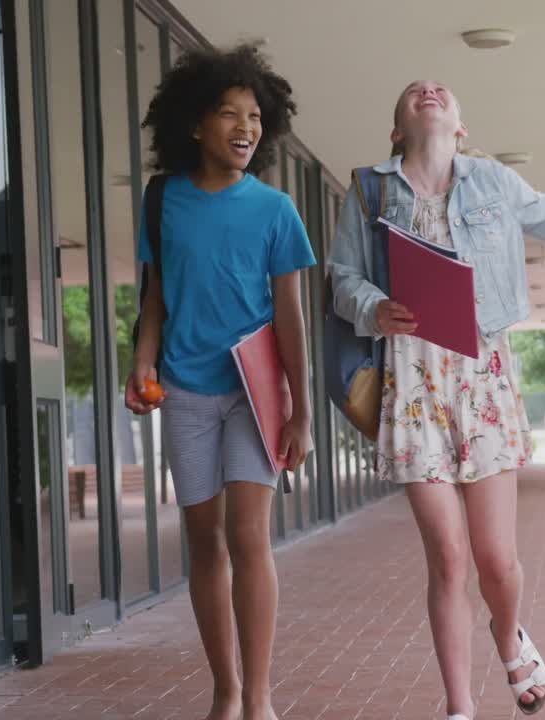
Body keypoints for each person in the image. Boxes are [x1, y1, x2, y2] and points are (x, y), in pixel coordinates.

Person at [328, 79, 545, 720]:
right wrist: (375, 307)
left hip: (484, 380)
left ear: (462, 126)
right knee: (449, 558)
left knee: (495, 561)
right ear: (398, 129)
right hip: (413, 384)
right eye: (414, 90)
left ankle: (507, 635)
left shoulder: (494, 182)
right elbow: (342, 278)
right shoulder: (369, 191)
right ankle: (459, 707)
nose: (429, 90)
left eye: (442, 89)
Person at [125, 45, 315, 720]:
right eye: (230, 113)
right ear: (196, 126)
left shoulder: (276, 211)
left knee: (248, 535)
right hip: (185, 389)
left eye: (256, 115)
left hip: (253, 393)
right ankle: (225, 689)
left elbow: (290, 316)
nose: (246, 126)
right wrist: (141, 363)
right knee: (203, 541)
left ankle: (259, 697)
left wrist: (301, 411)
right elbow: (156, 297)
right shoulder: (163, 201)